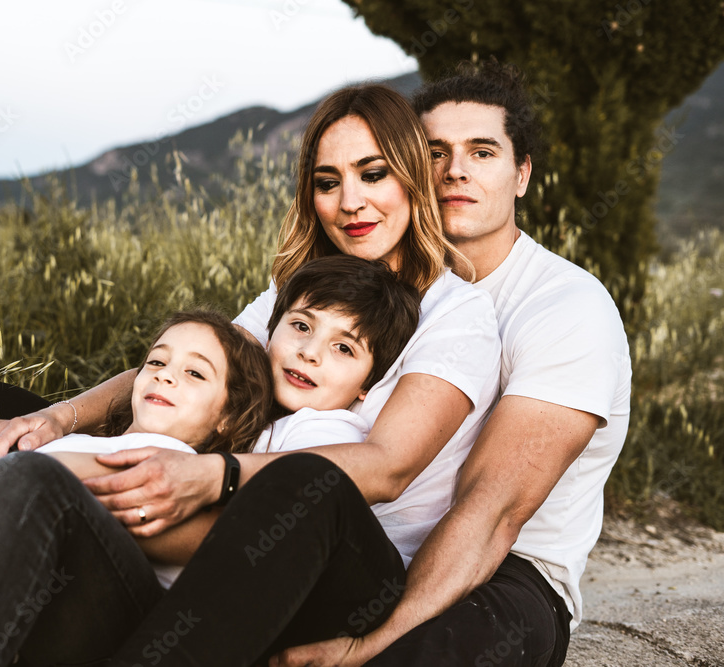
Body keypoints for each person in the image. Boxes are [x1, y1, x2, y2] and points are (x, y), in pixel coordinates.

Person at [106, 62, 632, 667]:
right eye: (435, 153)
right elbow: (205, 363)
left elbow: (493, 508)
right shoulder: (356, 282)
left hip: (510, 573)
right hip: (359, 545)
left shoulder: (564, 305)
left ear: (522, 173)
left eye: (482, 152)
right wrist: (59, 419)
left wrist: (374, 644)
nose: (455, 170)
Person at [0, 83, 502, 663]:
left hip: (348, 562)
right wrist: (52, 417)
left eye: (373, 175)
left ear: (413, 178)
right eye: (327, 182)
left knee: (303, 485)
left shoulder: (458, 314)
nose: (350, 202)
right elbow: (198, 363)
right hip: (235, 530)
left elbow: (388, 467)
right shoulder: (300, 287)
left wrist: (211, 474)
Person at [0, 256, 422, 666]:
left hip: (102, 602)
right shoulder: (219, 414)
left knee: (30, 478)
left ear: (367, 383)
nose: (307, 352)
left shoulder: (319, 437)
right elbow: (31, 440)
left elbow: (86, 483)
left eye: (343, 347)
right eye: (300, 326)